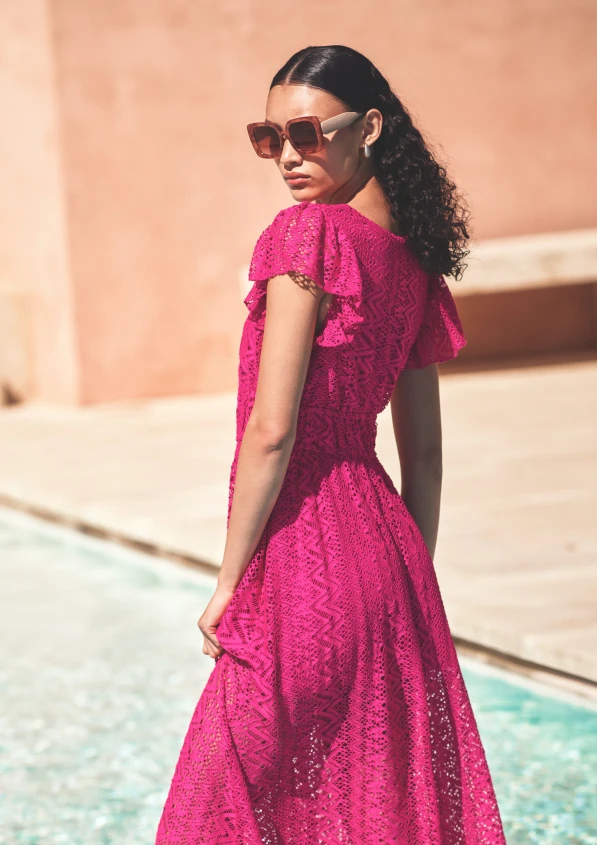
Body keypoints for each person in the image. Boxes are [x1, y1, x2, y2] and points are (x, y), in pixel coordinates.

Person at [155, 45, 507, 845]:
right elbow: (422, 455)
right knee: (362, 804)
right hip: (387, 557)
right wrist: (406, 584)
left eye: (307, 134)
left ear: (368, 127)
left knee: (226, 800)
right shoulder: (415, 263)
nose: (286, 156)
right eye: (268, 136)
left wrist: (227, 580)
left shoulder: (307, 238)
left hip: (301, 556)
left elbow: (272, 431)